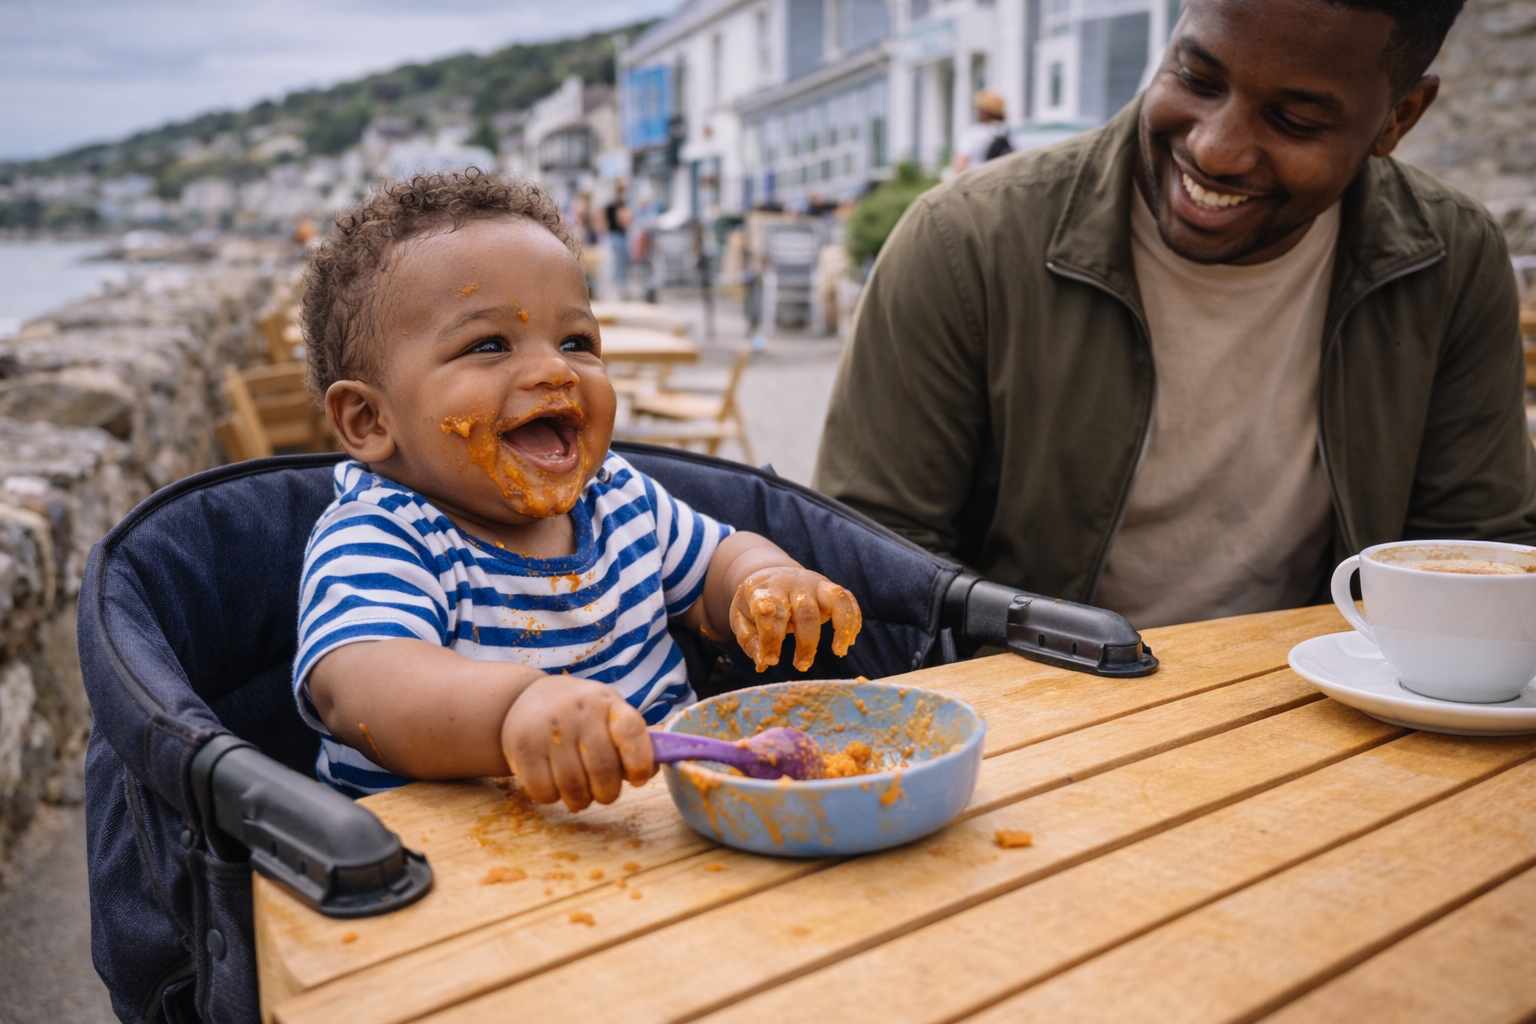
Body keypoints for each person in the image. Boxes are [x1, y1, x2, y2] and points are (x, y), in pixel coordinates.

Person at [815, 0, 1536, 631]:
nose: (1214, 149)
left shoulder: (1451, 258)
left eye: (1294, 119)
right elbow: (870, 563)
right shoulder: (962, 242)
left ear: (1399, 117)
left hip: (1329, 724)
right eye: (1196, 78)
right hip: (1027, 732)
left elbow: (1475, 559)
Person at [295, 170, 862, 806]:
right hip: (455, 870)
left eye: (576, 341)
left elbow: (715, 567)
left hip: (660, 832)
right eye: (488, 344)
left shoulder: (619, 496)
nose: (554, 369)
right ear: (369, 421)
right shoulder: (383, 534)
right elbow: (365, 688)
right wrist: (516, 711)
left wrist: (762, 580)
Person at [951, 90, 1012, 176]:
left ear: (984, 111)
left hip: (974, 180)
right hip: (997, 179)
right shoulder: (1005, 131)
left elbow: (961, 165)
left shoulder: (973, 132)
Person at [604, 180, 632, 299]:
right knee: (620, 262)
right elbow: (622, 222)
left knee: (619, 262)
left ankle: (619, 285)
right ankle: (619, 286)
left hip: (615, 235)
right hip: (618, 235)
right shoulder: (619, 205)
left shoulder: (613, 205)